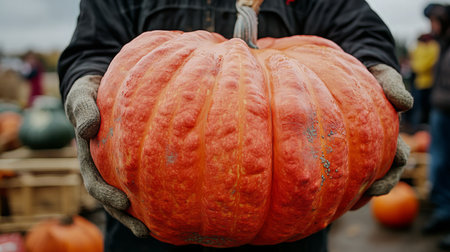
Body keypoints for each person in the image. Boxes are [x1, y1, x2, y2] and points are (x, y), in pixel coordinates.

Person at [58, 0, 412, 251]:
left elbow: (357, 28)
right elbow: (92, 46)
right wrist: (84, 83)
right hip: (145, 225)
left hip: (292, 224)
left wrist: (373, 89)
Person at [421, 3, 450, 250]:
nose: (432, 26)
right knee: (439, 163)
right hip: (441, 110)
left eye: (434, 21)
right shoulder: (441, 44)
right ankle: (443, 212)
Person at [409, 33, 439, 129]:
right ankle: (416, 128)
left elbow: (422, 65)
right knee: (417, 107)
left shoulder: (433, 47)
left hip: (430, 83)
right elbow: (415, 63)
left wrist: (419, 66)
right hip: (419, 83)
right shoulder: (418, 48)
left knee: (427, 108)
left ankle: (425, 128)